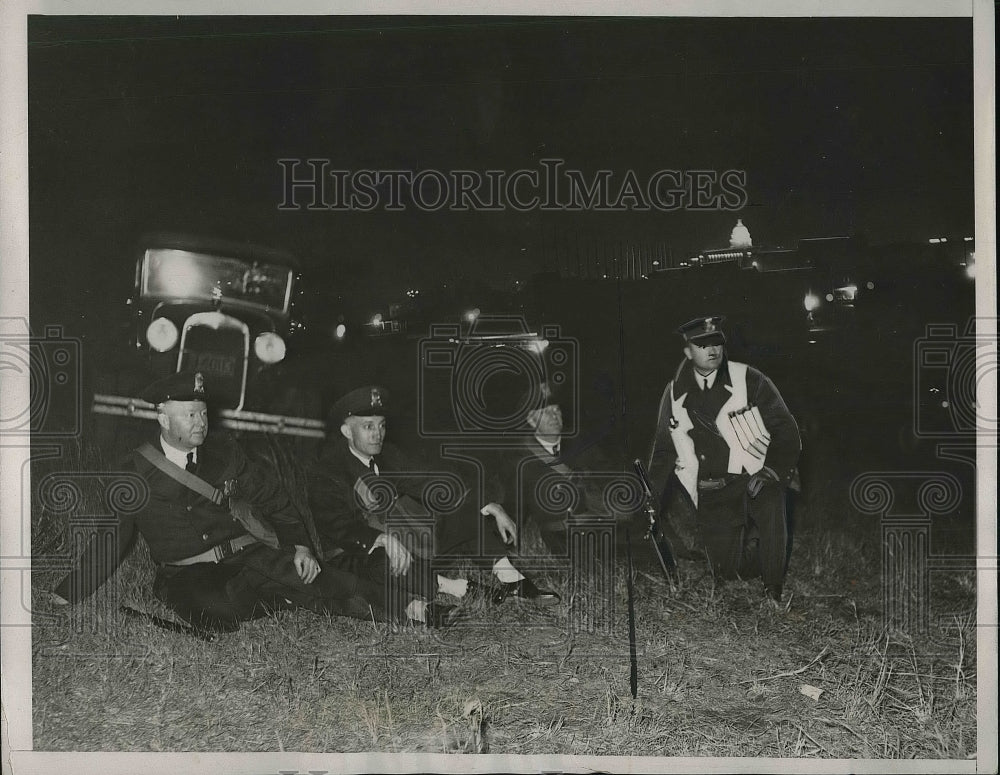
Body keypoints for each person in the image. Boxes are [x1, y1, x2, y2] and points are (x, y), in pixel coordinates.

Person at [51, 371, 381, 632]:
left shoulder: (225, 455)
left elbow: (275, 498)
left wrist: (300, 546)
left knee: (321, 581)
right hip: (187, 574)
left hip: (244, 554)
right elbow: (112, 538)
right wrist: (69, 591)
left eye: (203, 413)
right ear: (164, 420)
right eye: (190, 415)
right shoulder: (134, 471)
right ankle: (280, 594)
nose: (201, 423)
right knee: (220, 615)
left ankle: (419, 609)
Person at [306, 386, 560, 619]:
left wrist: (489, 505)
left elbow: (431, 480)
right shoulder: (328, 470)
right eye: (368, 426)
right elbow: (336, 527)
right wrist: (379, 539)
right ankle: (459, 588)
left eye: (381, 425)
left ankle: (511, 579)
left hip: (406, 543)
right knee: (381, 564)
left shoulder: (387, 456)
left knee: (462, 509)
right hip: (359, 555)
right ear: (347, 431)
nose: (378, 434)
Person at [647, 316, 801, 601]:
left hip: (754, 477)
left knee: (771, 500)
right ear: (687, 351)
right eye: (702, 344)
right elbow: (664, 452)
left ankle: (773, 588)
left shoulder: (750, 379)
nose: (712, 349)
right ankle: (754, 545)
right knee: (728, 572)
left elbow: (788, 432)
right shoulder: (674, 393)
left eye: (716, 342)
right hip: (712, 489)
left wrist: (771, 471)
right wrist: (650, 497)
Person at [500, 380, 639, 558]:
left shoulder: (581, 443)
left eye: (556, 409)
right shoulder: (520, 461)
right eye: (545, 412)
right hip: (565, 535)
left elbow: (610, 475)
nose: (554, 416)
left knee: (643, 549)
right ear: (531, 421)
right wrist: (502, 526)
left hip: (601, 521)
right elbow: (514, 506)